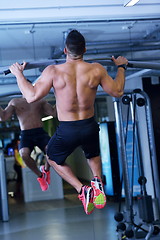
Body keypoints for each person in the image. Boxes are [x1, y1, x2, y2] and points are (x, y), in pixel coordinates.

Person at [9, 29, 128, 215]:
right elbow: (118, 91)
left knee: (53, 157)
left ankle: (83, 190)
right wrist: (121, 67)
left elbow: (31, 96)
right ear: (85, 49)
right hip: (89, 125)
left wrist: (18, 74)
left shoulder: (54, 71)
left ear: (65, 50)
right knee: (92, 155)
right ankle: (97, 183)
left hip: (68, 129)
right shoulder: (97, 69)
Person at [0, 96, 57, 191]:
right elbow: (3, 117)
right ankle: (40, 176)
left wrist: (61, 95)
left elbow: (53, 113)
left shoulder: (40, 100)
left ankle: (46, 170)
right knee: (24, 155)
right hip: (26, 134)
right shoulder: (15, 102)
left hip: (40, 132)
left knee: (52, 151)